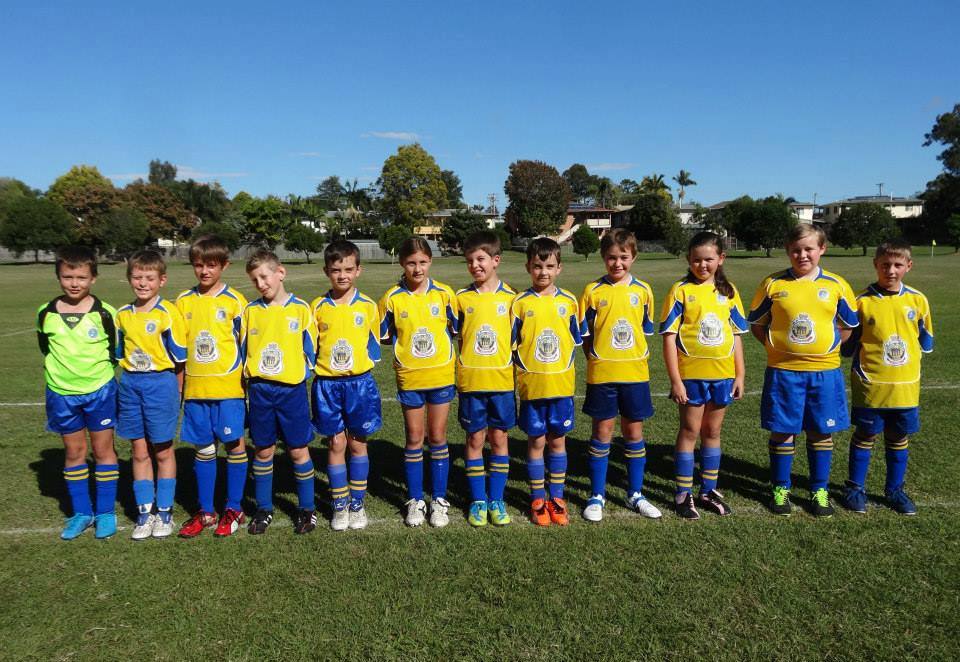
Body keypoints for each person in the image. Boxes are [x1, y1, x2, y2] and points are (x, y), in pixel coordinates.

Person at [748, 224, 859, 517]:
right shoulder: (772, 283)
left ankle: (819, 490)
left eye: (809, 249)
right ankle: (780, 488)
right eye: (796, 250)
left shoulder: (837, 285)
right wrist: (774, 347)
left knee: (821, 432)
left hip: (825, 372)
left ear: (822, 249)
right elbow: (757, 324)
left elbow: (847, 327)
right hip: (784, 371)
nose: (802, 255)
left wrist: (826, 349)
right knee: (783, 432)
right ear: (788, 251)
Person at [840, 239, 933, 515]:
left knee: (898, 436)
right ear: (875, 265)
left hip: (905, 386)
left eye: (897, 265)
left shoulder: (918, 300)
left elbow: (925, 341)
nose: (890, 270)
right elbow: (847, 346)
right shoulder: (861, 301)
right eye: (885, 265)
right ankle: (855, 488)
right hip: (871, 384)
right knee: (866, 434)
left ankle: (895, 490)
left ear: (908, 266)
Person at [659, 232, 748, 520]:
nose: (703, 265)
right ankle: (683, 493)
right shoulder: (680, 290)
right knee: (689, 432)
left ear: (721, 259)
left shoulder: (729, 292)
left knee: (713, 432)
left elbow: (736, 336)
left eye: (709, 259)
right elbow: (669, 337)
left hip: (722, 376)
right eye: (696, 260)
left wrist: (740, 375)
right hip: (691, 378)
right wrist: (676, 380)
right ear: (688, 260)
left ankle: (708, 489)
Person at [579, 228, 662, 522]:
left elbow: (644, 330)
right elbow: (585, 333)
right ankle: (597, 495)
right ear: (604, 258)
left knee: (634, 434)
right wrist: (596, 356)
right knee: (602, 433)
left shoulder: (644, 291)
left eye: (623, 257)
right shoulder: (592, 291)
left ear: (634, 257)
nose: (618, 263)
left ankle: (635, 494)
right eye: (612, 258)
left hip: (635, 374)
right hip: (602, 374)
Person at [37, 246, 119, 540]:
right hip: (62, 393)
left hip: (99, 391)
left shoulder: (106, 313)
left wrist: (96, 377)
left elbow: (114, 352)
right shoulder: (46, 313)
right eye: (68, 276)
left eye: (81, 277)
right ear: (58, 277)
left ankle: (106, 512)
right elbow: (45, 348)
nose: (74, 283)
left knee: (102, 451)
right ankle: (82, 512)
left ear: (93, 278)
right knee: (74, 451)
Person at [379, 238, 458, 527]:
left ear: (430, 262)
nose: (417, 268)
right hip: (410, 377)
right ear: (402, 263)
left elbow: (456, 328)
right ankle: (415, 499)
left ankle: (439, 500)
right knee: (414, 437)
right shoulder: (392, 298)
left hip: (440, 375)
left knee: (437, 436)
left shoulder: (445, 295)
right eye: (411, 262)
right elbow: (384, 335)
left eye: (422, 262)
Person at [175, 235, 250, 537]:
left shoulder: (235, 302)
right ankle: (206, 510)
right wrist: (180, 385)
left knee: (234, 445)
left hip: (229, 389)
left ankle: (234, 507)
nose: (204, 271)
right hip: (196, 390)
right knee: (204, 449)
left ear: (224, 266)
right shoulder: (182, 302)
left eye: (211, 265)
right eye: (198, 265)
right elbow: (178, 349)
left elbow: (246, 345)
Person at [242, 250, 318, 535]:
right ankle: (263, 509)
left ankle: (307, 509)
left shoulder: (300, 309)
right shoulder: (250, 311)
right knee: (263, 450)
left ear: (280, 273)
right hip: (260, 390)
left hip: (291, 391)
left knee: (298, 450)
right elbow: (242, 350)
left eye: (264, 276)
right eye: (255, 279)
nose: (261, 283)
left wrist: (297, 371)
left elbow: (311, 348)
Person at [512, 237, 584, 526]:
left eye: (550, 266)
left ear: (559, 268)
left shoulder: (569, 302)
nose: (543, 272)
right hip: (532, 388)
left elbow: (574, 341)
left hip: (561, 387)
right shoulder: (519, 303)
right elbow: (511, 345)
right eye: (537, 266)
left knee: (558, 443)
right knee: (536, 442)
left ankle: (557, 497)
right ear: (528, 267)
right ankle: (538, 498)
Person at [311, 240, 383, 531]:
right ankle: (339, 505)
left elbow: (373, 345)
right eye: (336, 270)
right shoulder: (317, 307)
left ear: (358, 270)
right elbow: (312, 346)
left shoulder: (367, 306)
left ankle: (357, 504)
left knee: (357, 442)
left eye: (348, 269)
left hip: (359, 385)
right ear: (326, 271)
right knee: (336, 442)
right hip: (327, 385)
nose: (342, 275)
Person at [115, 250, 187, 539]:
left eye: (149, 278)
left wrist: (178, 389)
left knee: (163, 449)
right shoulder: (122, 315)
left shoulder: (168, 313)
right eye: (137, 277)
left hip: (161, 383)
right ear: (129, 279)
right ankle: (145, 513)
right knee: (138, 450)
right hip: (131, 384)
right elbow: (119, 353)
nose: (143, 283)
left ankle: (165, 513)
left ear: (161, 280)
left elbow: (180, 358)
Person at [456, 231, 517, 527]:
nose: (475, 265)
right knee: (475, 438)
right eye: (469, 261)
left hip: (502, 382)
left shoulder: (512, 298)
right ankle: (479, 500)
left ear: (495, 260)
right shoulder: (461, 298)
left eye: (480, 259)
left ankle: (497, 499)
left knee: (500, 438)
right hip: (471, 382)